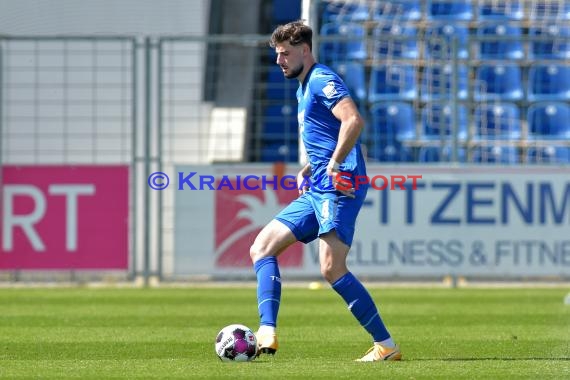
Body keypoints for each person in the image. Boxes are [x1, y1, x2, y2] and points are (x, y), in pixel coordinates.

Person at [250, 20, 401, 362]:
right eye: (277, 54)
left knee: (332, 268)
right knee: (262, 247)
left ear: (305, 50)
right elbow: (330, 132)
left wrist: (333, 164)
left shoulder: (321, 79)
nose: (280, 61)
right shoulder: (303, 87)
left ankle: (387, 346)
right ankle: (267, 331)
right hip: (318, 184)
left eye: (285, 54)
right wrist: (313, 165)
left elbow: (353, 121)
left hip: (338, 186)